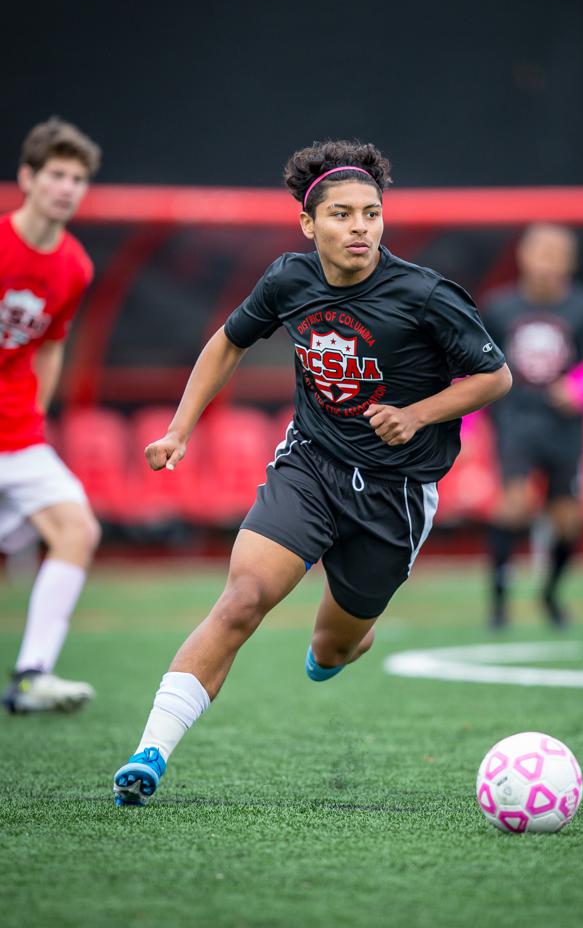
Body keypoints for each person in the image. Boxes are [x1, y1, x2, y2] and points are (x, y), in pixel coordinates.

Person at [112, 139, 512, 806]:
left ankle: (346, 639)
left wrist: (417, 415)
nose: (360, 227)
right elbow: (228, 342)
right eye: (343, 214)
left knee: (332, 650)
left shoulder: (426, 295)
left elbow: (494, 376)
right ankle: (150, 750)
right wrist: (180, 427)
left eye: (372, 213)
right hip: (311, 467)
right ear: (309, 224)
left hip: (396, 496)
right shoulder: (288, 280)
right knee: (242, 600)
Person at [1, 117, 102, 713]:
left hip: (17, 433)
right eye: (57, 175)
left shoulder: (75, 267)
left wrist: (36, 410)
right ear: (27, 178)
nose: (67, 187)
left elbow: (52, 342)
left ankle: (33, 674)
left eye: (78, 178)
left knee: (78, 528)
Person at [482, 223, 583, 628]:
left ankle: (551, 594)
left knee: (568, 518)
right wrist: (468, 423)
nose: (546, 263)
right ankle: (500, 601)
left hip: (564, 427)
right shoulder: (500, 307)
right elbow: (476, 363)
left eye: (556, 255)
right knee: (515, 505)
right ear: (523, 256)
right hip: (516, 420)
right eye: (540, 253)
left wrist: (581, 388)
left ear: (570, 263)